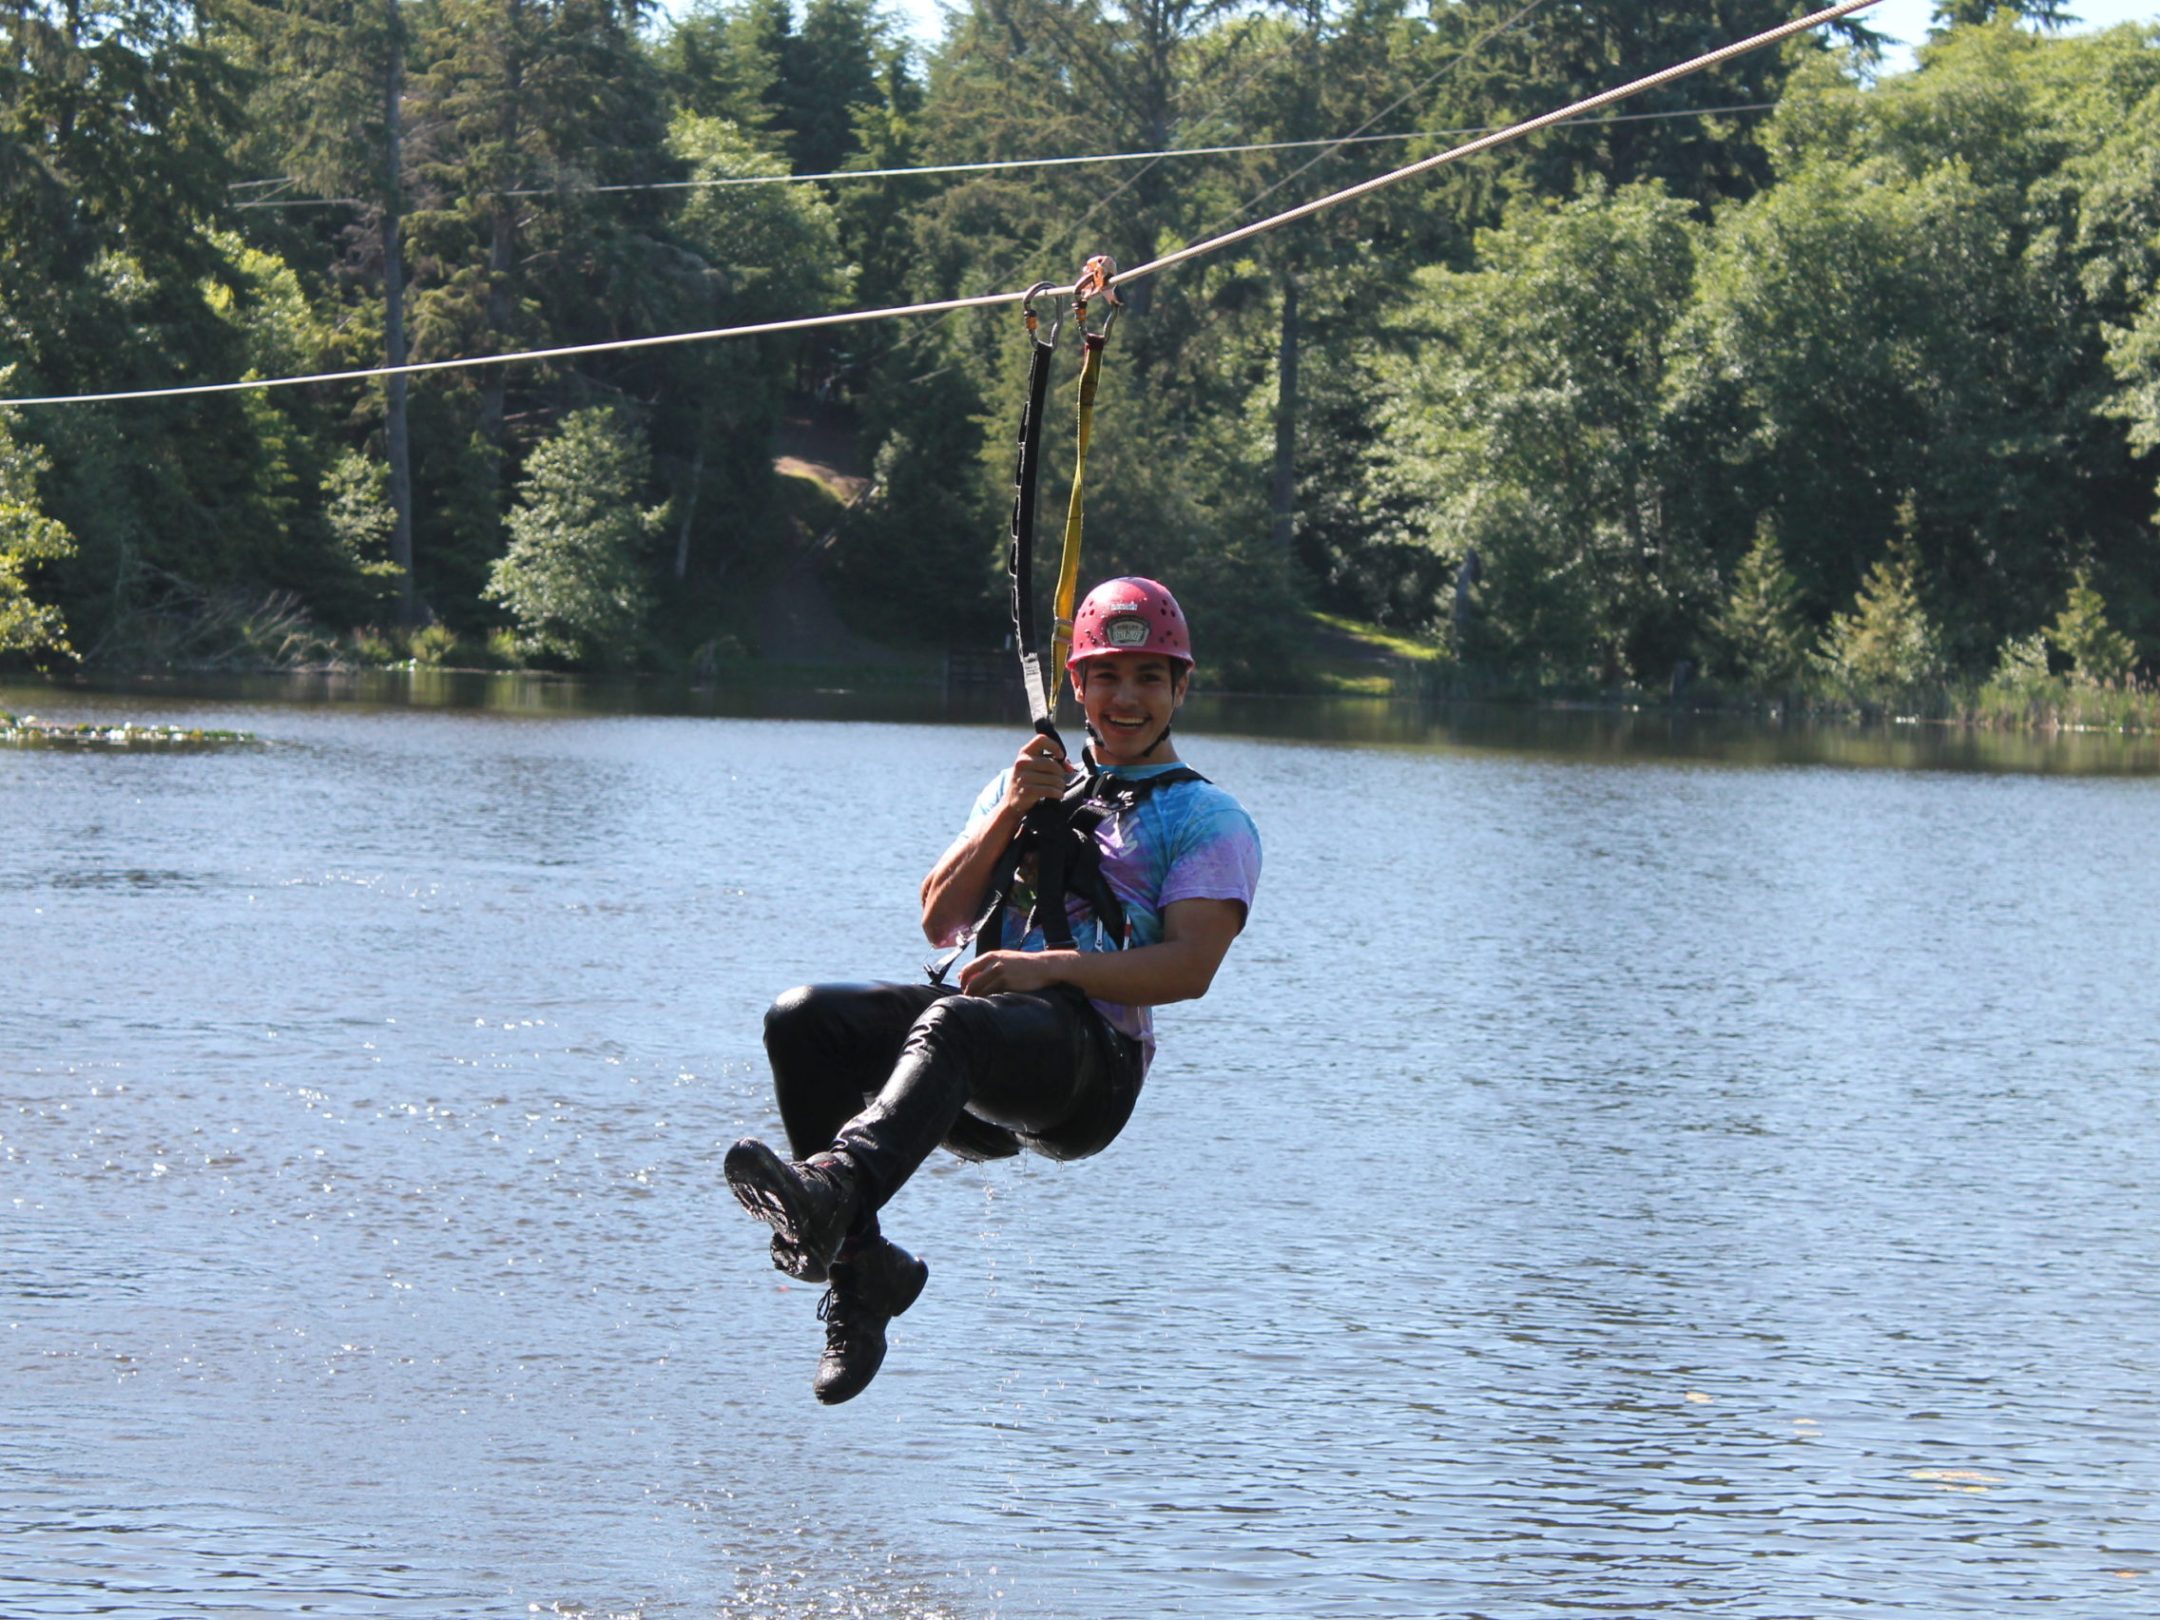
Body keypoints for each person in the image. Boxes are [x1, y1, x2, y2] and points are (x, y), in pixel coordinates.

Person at [725, 576, 1262, 1404]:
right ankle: (863, 1271)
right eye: (1107, 676)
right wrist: (1011, 808)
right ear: (1076, 685)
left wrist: (1046, 968)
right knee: (803, 1019)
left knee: (955, 1024)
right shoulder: (1030, 782)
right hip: (978, 1051)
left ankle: (834, 1189)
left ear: (1181, 687)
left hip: (1087, 1071)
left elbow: (1189, 968)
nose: (1126, 698)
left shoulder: (1206, 819)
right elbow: (941, 920)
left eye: (1150, 677)